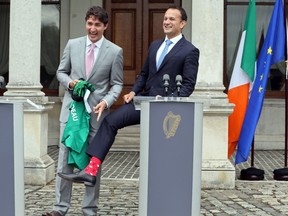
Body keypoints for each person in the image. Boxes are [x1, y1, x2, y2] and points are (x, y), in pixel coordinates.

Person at [58, 5, 199, 187]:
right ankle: (90, 171)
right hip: (144, 102)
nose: (166, 22)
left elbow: (188, 85)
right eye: (165, 18)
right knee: (110, 121)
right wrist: (133, 91)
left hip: (167, 108)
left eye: (172, 19)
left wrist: (167, 99)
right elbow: (144, 74)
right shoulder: (156, 45)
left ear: (183, 23)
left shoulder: (190, 50)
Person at [42, 6, 123, 216]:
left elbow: (117, 84)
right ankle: (60, 208)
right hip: (72, 113)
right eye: (90, 23)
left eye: (97, 24)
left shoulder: (115, 51)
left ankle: (89, 209)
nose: (93, 28)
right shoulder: (72, 45)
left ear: (105, 26)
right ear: (85, 23)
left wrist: (106, 101)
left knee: (92, 163)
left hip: (97, 115)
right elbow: (61, 72)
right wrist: (70, 84)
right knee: (64, 158)